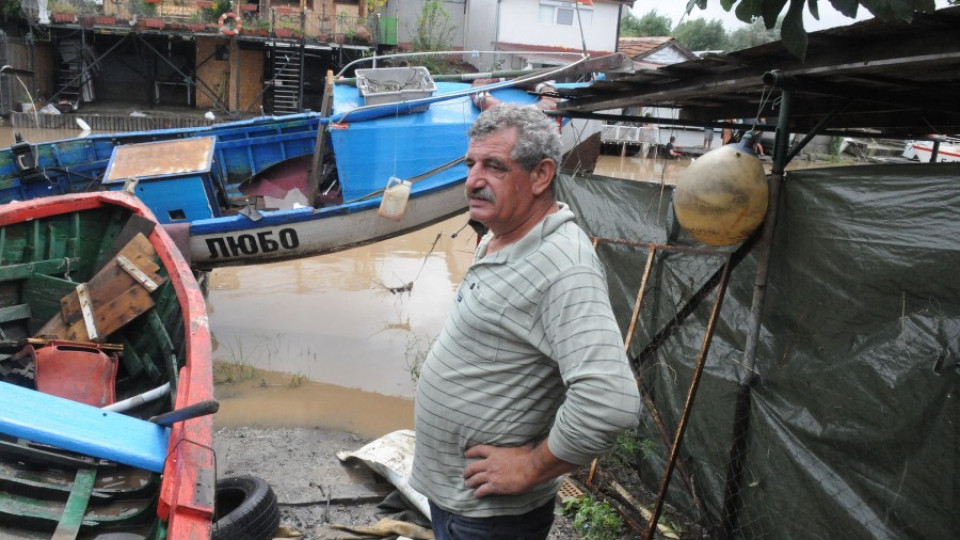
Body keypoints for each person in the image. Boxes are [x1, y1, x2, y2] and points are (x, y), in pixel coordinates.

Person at [410, 103, 642, 540]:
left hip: (493, 520)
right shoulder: (501, 235)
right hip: (459, 501)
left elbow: (609, 402)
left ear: (541, 175)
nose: (473, 180)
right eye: (471, 164)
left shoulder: (563, 266)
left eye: (494, 166)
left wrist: (531, 466)